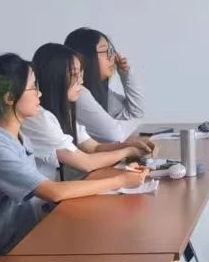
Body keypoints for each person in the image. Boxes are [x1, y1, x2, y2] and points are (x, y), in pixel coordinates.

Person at [0, 46, 134, 256]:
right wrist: (121, 180)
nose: (40, 93)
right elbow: (54, 191)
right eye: (33, 88)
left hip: (19, 240)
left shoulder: (17, 137)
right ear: (9, 98)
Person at [24, 43, 152, 179]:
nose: (81, 80)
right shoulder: (40, 118)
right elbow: (86, 163)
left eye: (81, 73)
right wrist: (128, 151)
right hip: (48, 192)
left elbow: (93, 147)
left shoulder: (63, 110)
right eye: (74, 74)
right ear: (54, 78)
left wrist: (127, 146)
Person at [65, 27, 143, 145]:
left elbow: (136, 113)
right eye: (105, 51)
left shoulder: (103, 92)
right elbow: (116, 135)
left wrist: (126, 75)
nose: (112, 57)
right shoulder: (78, 93)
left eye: (111, 51)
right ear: (85, 57)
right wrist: (136, 123)